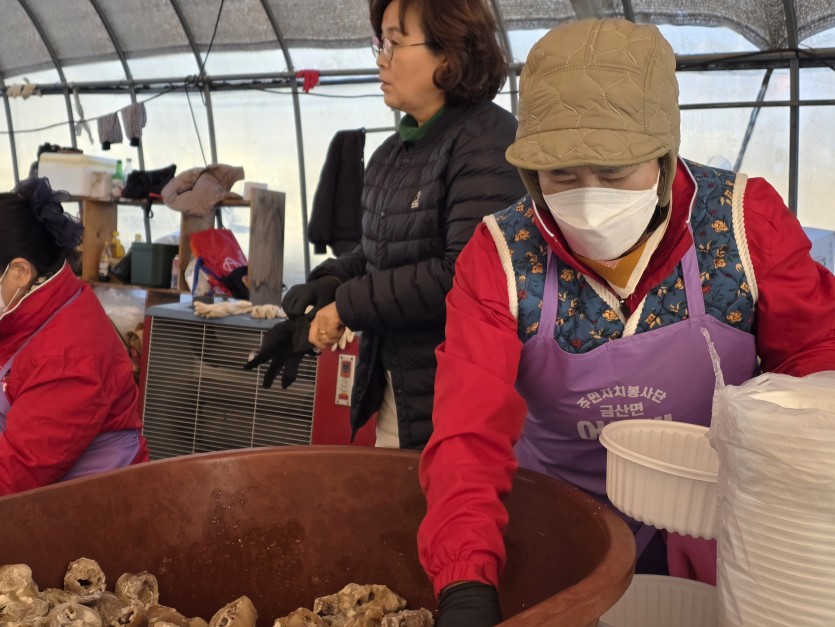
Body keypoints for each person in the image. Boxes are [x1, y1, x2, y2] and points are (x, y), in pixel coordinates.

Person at [417, 18, 835, 625]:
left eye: (615, 173)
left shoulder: (743, 226)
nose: (590, 198)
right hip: (562, 530)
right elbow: (468, 430)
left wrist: (799, 517)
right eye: (562, 175)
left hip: (715, 524)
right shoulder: (501, 256)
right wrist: (465, 581)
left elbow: (815, 368)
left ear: (664, 157)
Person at [245, 0, 526, 449]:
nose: (381, 59)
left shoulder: (489, 141)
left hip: (462, 406)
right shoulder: (390, 155)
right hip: (402, 394)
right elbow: (381, 254)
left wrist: (345, 306)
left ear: (450, 53)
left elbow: (462, 274)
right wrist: (332, 281)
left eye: (394, 43)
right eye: (381, 43)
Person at [0, 177, 149, 495]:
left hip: (91, 512)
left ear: (20, 272)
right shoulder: (27, 310)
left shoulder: (70, 355)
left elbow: (13, 475)